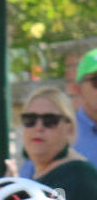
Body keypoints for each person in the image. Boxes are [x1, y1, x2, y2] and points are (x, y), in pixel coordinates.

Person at [17, 48, 97, 176]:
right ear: (77, 89)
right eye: (96, 81)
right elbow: (31, 185)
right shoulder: (61, 130)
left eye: (49, 120)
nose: (39, 126)